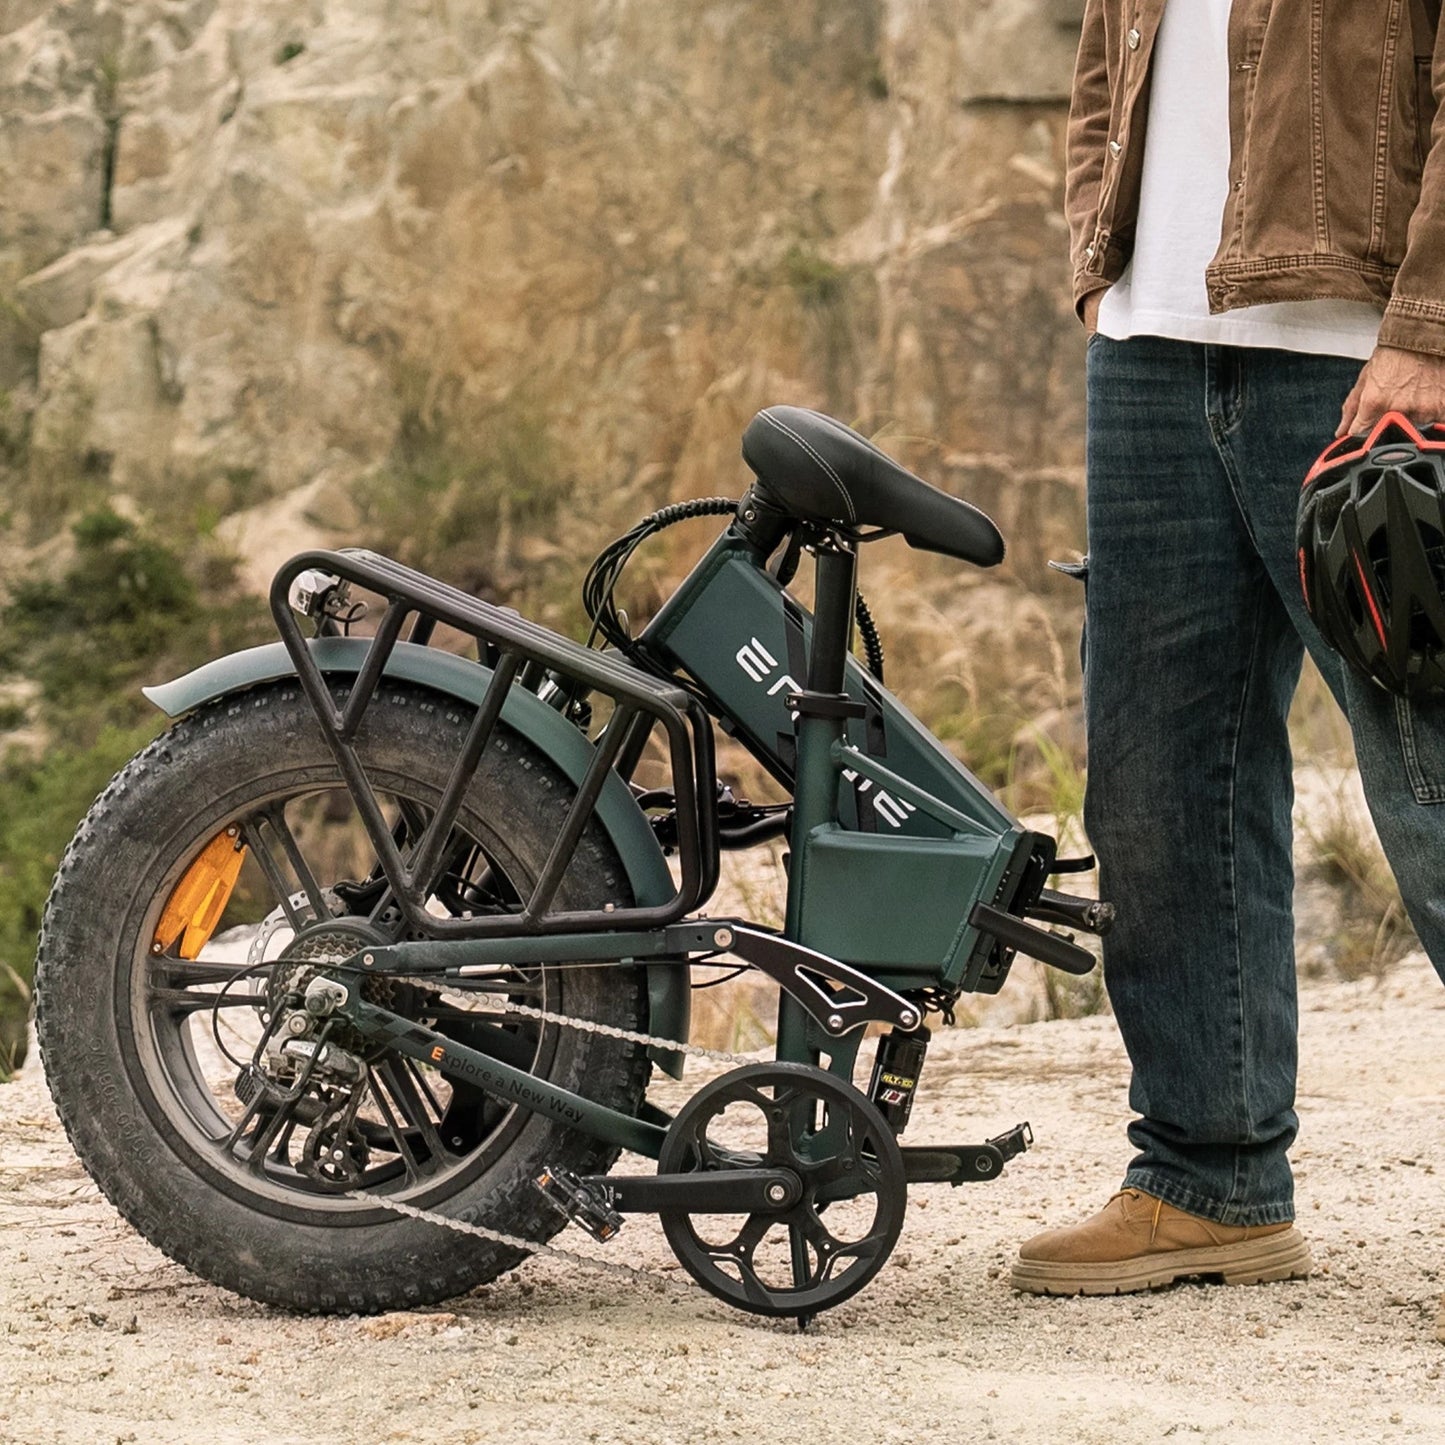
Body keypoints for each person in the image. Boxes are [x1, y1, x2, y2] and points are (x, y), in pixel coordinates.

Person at [1011, 0, 1445, 1297]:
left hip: (1359, 352)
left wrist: (1427, 326)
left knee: (1429, 783)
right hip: (1148, 352)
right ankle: (1208, 1175)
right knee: (1156, 782)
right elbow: (1103, 49)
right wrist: (1098, 252)